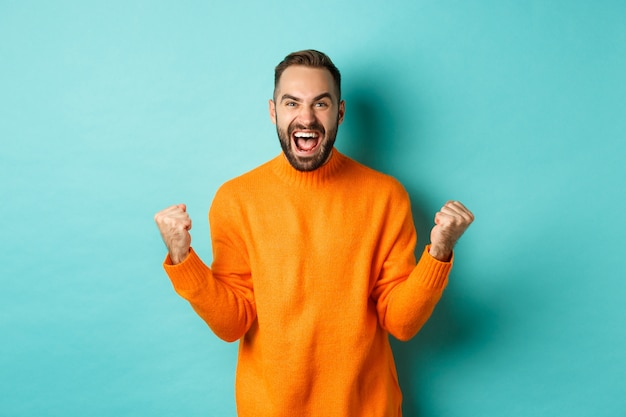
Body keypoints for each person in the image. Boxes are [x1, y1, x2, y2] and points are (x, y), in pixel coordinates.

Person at [154, 50, 474, 417]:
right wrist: (182, 259)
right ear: (274, 111)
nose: (306, 118)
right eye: (292, 103)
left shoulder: (386, 196)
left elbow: (400, 323)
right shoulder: (236, 199)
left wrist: (439, 252)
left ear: (339, 113)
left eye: (320, 104)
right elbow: (232, 324)